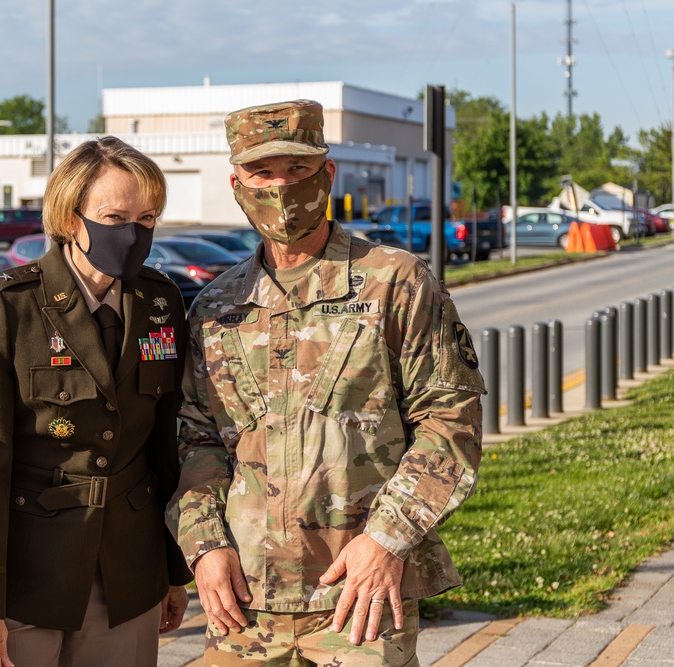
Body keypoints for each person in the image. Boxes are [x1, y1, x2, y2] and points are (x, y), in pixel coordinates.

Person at [168, 100, 485, 666]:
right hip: (243, 602)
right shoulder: (217, 306)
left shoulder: (395, 283)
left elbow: (449, 420)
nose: (281, 189)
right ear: (236, 183)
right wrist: (205, 545)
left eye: (297, 170)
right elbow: (196, 440)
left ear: (328, 173)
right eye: (262, 173)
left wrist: (387, 540)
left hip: (358, 595)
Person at [0, 136, 191, 667]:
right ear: (70, 217)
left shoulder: (161, 301)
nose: (133, 232)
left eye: (147, 218)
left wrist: (173, 569)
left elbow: (168, 445)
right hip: (31, 573)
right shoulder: (9, 305)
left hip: (128, 570)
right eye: (114, 215)